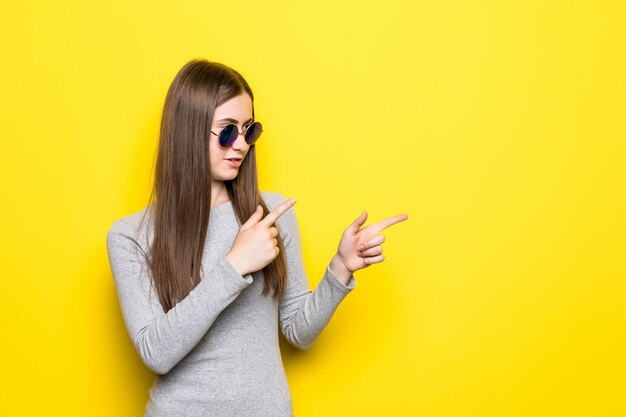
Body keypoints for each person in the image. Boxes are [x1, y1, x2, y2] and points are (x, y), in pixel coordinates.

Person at [106, 58, 408, 417]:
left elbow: (299, 331)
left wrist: (341, 268)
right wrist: (234, 265)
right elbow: (156, 352)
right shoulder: (130, 236)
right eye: (228, 131)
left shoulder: (272, 213)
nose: (241, 145)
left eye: (248, 130)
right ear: (188, 130)